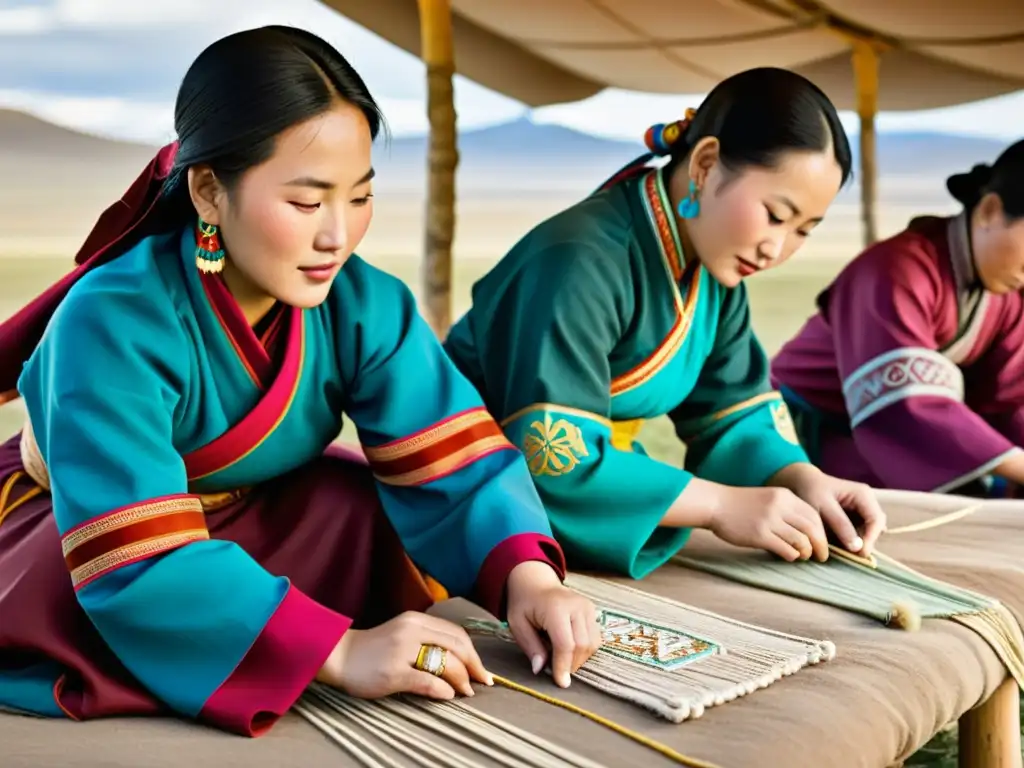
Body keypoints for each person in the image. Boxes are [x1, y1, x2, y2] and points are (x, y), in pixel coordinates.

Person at [0, 26, 600, 737]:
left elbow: (451, 460)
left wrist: (529, 579)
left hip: (266, 514)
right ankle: (275, 637)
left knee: (362, 506)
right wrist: (342, 651)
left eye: (359, 198)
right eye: (309, 203)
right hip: (107, 537)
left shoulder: (362, 302)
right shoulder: (110, 318)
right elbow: (133, 549)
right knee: (81, 612)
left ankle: (281, 625)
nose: (338, 237)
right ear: (209, 192)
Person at [443, 67, 887, 581]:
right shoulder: (577, 262)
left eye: (803, 231)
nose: (777, 248)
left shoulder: (714, 273)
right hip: (471, 498)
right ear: (705, 164)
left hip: (568, 499)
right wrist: (720, 506)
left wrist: (803, 479)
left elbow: (733, 415)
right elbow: (552, 460)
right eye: (774, 214)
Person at [771, 140, 1024, 498]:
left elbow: (1010, 402)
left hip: (893, 440)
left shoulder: (1007, 295)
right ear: (989, 210)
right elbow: (904, 404)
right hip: (803, 432)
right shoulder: (893, 270)